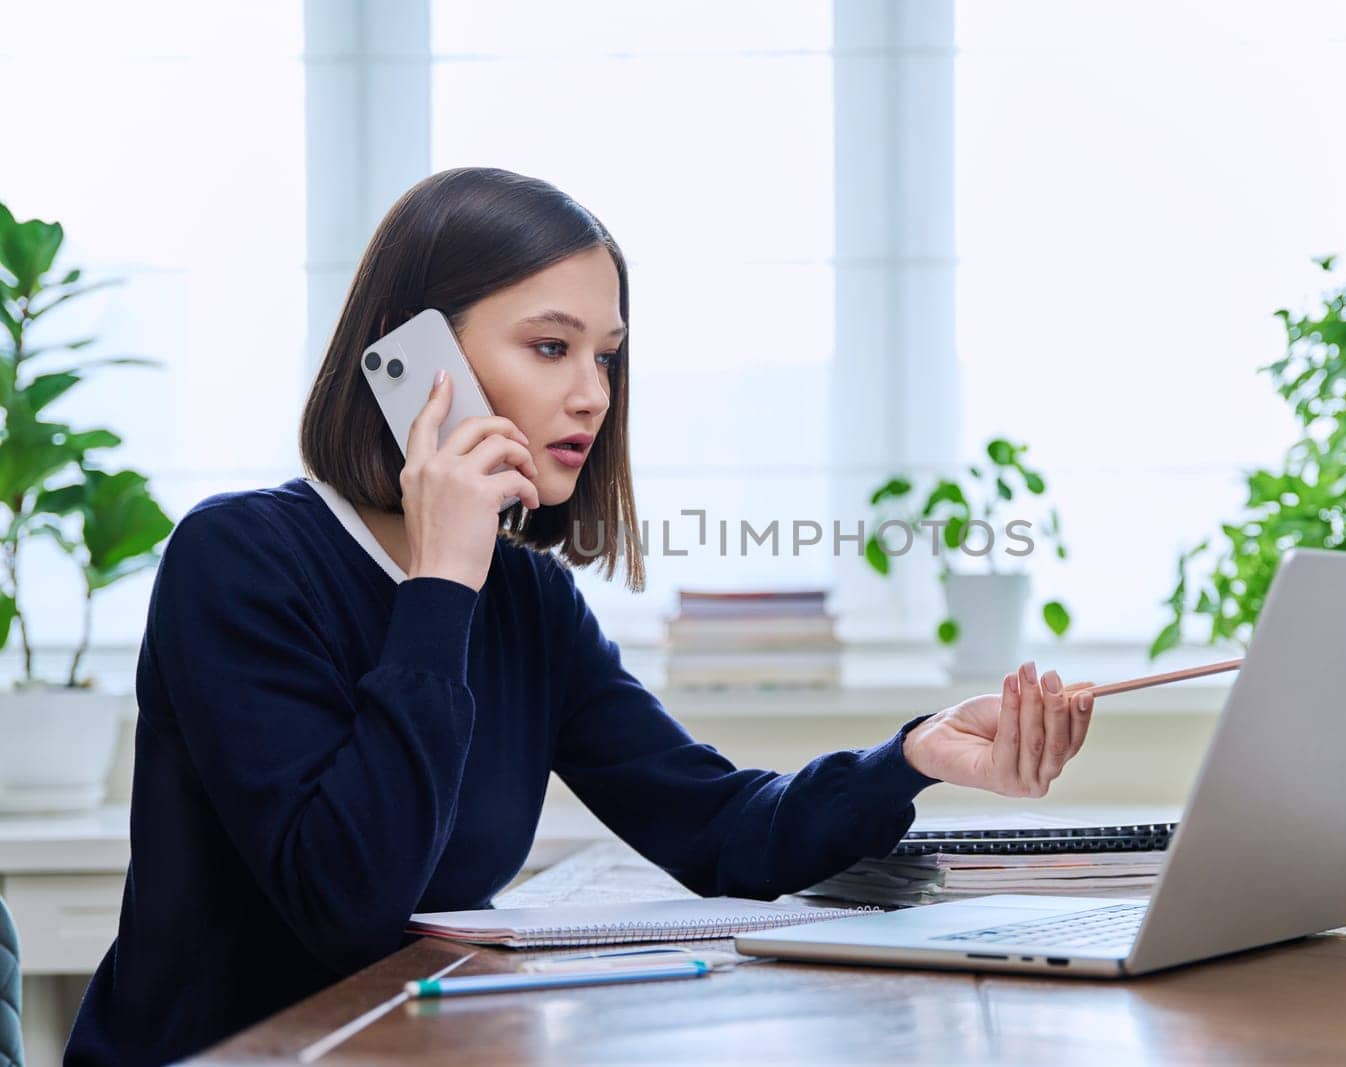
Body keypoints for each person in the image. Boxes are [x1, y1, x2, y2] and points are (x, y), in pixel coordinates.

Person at [65, 168, 1096, 1065]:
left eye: (605, 355)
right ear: (422, 366)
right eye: (551, 347)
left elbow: (719, 827)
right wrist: (440, 582)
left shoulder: (528, 600)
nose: (594, 394)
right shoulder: (238, 559)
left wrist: (914, 755)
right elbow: (349, 897)